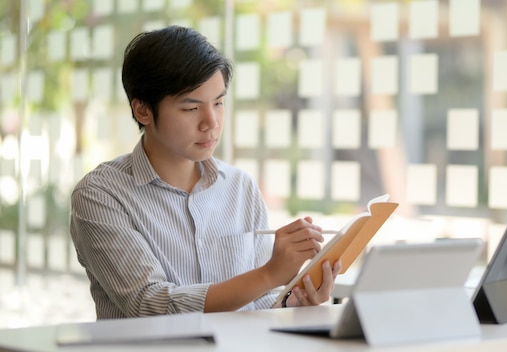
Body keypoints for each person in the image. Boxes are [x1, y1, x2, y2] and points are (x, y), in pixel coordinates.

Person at [70, 25, 342, 319]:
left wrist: (295, 301)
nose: (211, 123)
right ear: (143, 111)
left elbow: (259, 303)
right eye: (191, 109)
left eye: (219, 103)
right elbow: (149, 303)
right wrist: (269, 274)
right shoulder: (100, 194)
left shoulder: (240, 188)